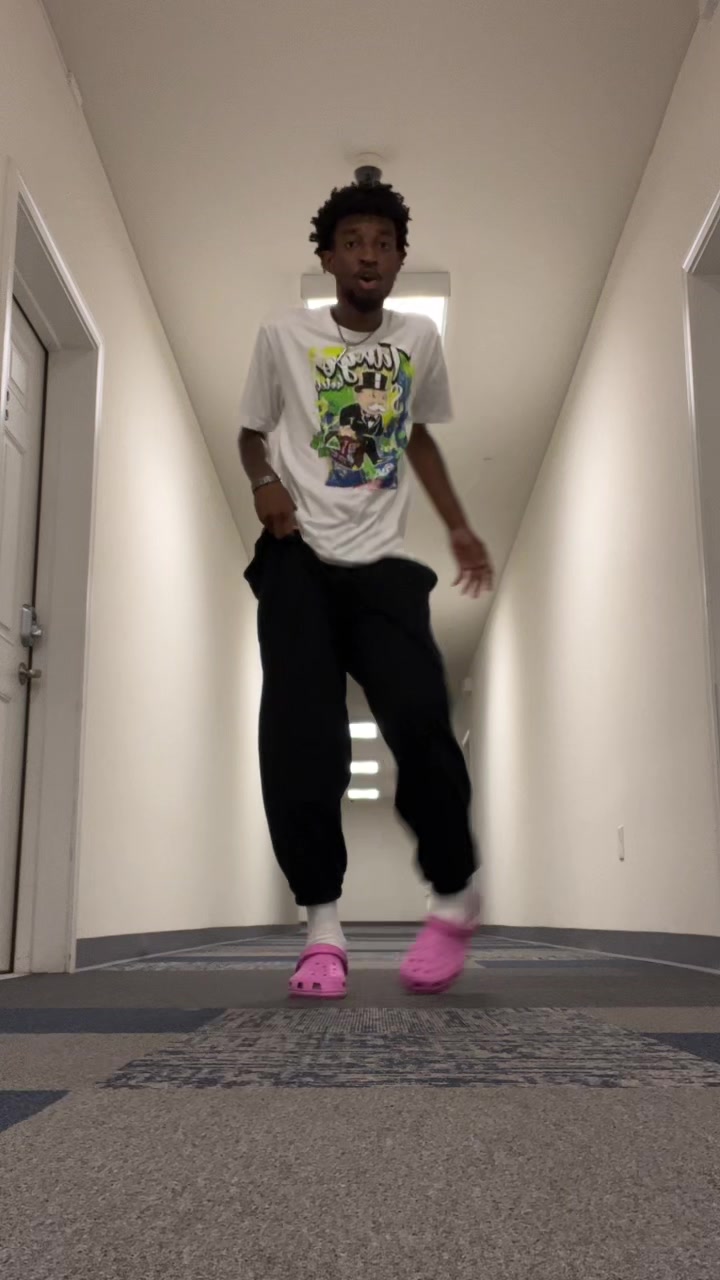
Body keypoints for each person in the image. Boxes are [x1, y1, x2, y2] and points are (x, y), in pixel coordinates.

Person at [239, 178, 493, 999]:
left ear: (399, 258)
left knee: (421, 718)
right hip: (298, 558)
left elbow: (415, 436)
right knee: (301, 737)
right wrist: (263, 483)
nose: (369, 255)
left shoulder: (419, 338)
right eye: (353, 242)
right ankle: (323, 930)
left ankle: (453, 895)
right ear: (328, 257)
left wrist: (458, 526)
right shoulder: (283, 335)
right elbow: (250, 434)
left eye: (384, 243)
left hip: (383, 567)